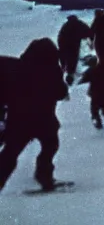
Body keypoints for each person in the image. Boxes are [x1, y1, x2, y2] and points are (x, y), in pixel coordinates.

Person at [0, 39, 69, 193]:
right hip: (44, 121)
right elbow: (60, 93)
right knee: (50, 146)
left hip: (19, 121)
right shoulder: (52, 70)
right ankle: (44, 176)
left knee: (10, 153)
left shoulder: (18, 68)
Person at [57, 14, 92, 85]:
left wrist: (61, 46)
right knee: (72, 61)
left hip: (65, 45)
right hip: (74, 45)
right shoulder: (79, 24)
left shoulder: (66, 25)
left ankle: (63, 73)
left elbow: (60, 37)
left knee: (65, 61)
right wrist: (90, 39)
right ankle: (69, 77)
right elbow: (88, 32)